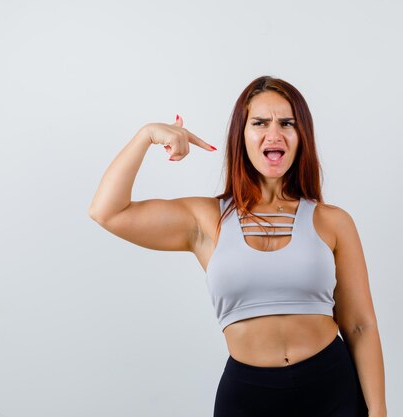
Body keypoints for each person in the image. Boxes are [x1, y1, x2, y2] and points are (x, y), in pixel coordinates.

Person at [88, 75, 387, 417]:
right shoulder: (206, 219)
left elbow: (360, 326)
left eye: (286, 123)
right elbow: (107, 211)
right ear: (241, 135)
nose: (273, 134)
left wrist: (378, 412)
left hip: (332, 390)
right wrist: (146, 135)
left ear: (302, 135)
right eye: (260, 122)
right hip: (247, 398)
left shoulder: (333, 221)